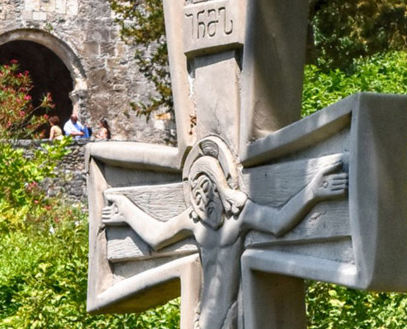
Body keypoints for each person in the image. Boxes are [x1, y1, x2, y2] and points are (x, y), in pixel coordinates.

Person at [101, 137, 347, 329]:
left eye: (206, 188)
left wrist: (313, 191)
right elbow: (157, 235)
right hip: (202, 318)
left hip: (232, 312)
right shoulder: (195, 220)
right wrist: (126, 210)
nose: (201, 199)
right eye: (196, 191)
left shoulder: (239, 215)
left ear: (219, 187)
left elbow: (278, 222)